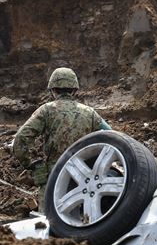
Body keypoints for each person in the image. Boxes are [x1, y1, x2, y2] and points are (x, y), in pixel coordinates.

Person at [13, 68, 111, 209]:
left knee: (47, 220)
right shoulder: (90, 113)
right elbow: (111, 134)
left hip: (54, 176)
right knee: (82, 220)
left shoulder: (46, 110)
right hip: (85, 177)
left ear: (53, 90)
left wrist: (33, 165)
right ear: (74, 90)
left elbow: (21, 138)